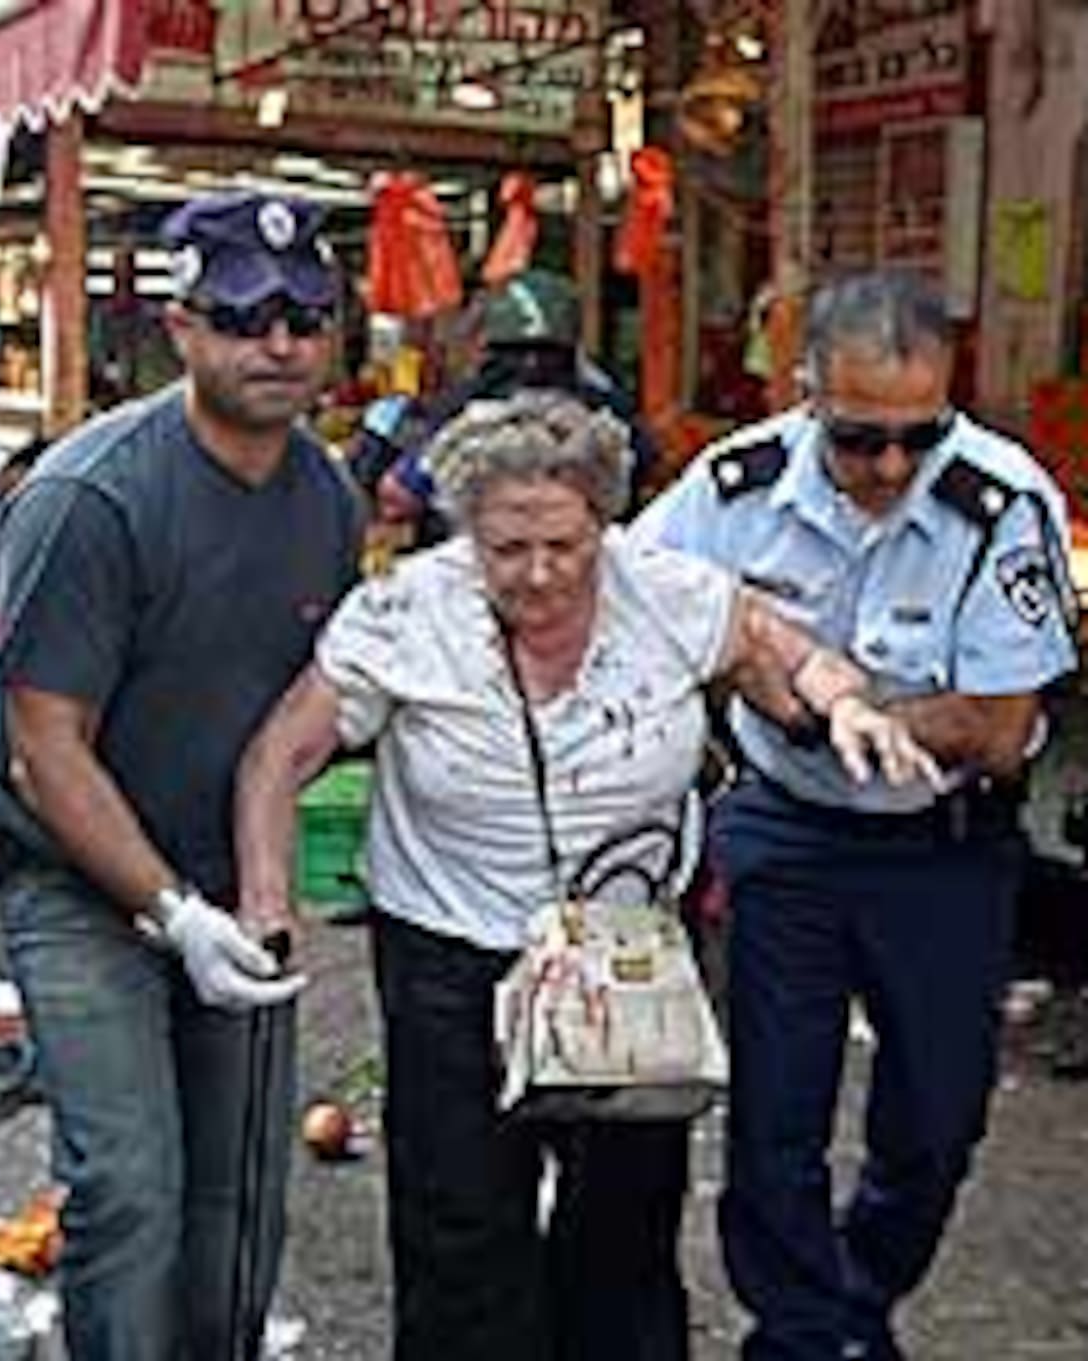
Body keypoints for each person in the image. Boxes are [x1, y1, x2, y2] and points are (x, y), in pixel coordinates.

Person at [234, 389, 937, 1361]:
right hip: (454, 958)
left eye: (564, 545)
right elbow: (279, 753)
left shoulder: (668, 589)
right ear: (464, 530)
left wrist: (847, 701)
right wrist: (268, 897)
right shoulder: (405, 612)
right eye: (505, 548)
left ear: (603, 523)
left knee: (624, 1228)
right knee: (462, 1230)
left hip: (627, 963)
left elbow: (785, 648)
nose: (537, 573)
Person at [632, 269, 1079, 1361]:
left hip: (942, 848)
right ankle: (800, 1332)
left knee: (937, 1121)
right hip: (784, 829)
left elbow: (992, 718)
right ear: (805, 394)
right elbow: (640, 603)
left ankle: (850, 1303)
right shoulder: (733, 489)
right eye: (857, 438)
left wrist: (812, 691)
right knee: (774, 1118)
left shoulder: (999, 496)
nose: (888, 467)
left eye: (914, 437)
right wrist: (770, 685)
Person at [0, 191, 362, 1360]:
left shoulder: (329, 497)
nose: (279, 343)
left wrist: (261, 890)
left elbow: (299, 722)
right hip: (74, 878)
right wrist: (172, 913)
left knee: (243, 1194)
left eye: (306, 314)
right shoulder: (91, 497)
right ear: (184, 327)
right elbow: (47, 749)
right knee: (130, 1183)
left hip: (223, 864)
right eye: (246, 315)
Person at [373, 268, 659, 533]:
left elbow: (398, 495)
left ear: (488, 343)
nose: (530, 366)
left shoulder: (457, 412)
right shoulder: (607, 410)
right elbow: (644, 468)